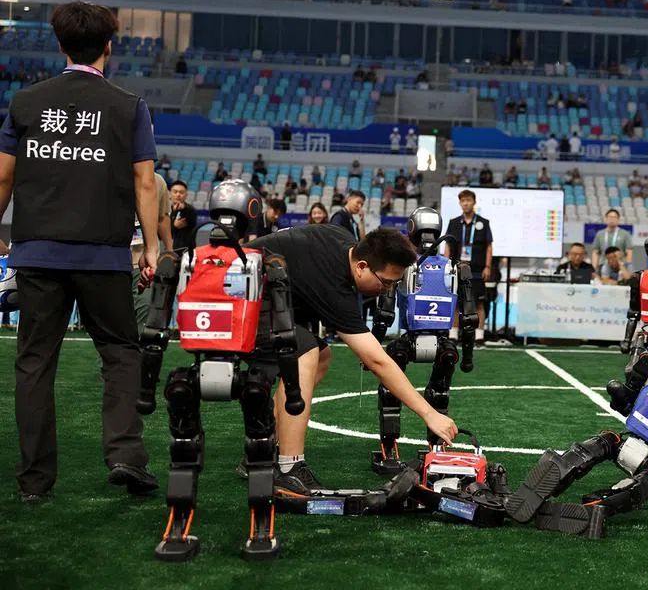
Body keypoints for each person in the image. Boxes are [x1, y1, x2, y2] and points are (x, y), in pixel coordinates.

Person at [0, 0, 160, 501]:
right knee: (119, 353)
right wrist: (152, 246)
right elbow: (145, 182)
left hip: (37, 255)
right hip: (102, 256)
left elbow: (4, 175)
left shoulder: (26, 102)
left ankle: (34, 482)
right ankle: (124, 456)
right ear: (109, 46)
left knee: (34, 364)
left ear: (59, 45)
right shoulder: (128, 105)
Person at [243, 225, 459, 494]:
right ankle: (289, 469)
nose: (386, 291)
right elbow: (377, 361)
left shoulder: (345, 243)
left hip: (254, 293)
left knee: (321, 356)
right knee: (303, 351)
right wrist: (430, 414)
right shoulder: (334, 283)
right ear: (362, 267)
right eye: (386, 282)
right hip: (232, 301)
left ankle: (262, 447)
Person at [443, 189, 494, 337]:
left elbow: (489, 246)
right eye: (463, 201)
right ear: (460, 203)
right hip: (457, 268)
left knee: (478, 303)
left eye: (468, 200)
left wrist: (488, 266)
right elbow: (448, 245)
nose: (466, 203)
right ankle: (453, 334)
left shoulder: (483, 223)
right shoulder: (453, 223)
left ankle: (479, 336)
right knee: (457, 301)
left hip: (477, 269)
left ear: (474, 202)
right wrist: (447, 265)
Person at [131, 172, 174, 329]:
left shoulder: (156, 181)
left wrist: (170, 251)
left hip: (144, 263)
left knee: (145, 315)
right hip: (111, 262)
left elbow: (162, 218)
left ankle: (141, 352)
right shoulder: (108, 173)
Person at [168, 179, 198, 252]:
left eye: (181, 192)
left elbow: (191, 219)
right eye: (175, 192)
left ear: (186, 195)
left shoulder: (190, 210)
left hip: (187, 250)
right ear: (170, 194)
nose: (178, 195)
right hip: (168, 250)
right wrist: (174, 226)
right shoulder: (165, 210)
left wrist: (184, 208)